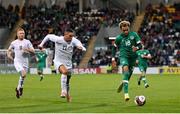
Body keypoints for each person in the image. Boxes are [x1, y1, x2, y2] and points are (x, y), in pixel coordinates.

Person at [38, 29, 86, 102]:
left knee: (67, 81)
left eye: (72, 36)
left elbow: (80, 44)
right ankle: (63, 91)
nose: (71, 37)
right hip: (58, 61)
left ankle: (67, 95)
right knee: (65, 72)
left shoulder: (73, 40)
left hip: (68, 63)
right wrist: (41, 44)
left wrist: (81, 48)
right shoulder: (58, 39)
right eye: (70, 36)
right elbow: (48, 36)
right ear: (65, 35)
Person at [112, 20, 143, 101]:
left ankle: (123, 82)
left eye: (127, 30)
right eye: (124, 30)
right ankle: (126, 94)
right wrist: (113, 59)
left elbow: (140, 45)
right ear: (121, 29)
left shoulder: (134, 35)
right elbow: (114, 48)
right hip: (124, 56)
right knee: (126, 70)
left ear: (128, 28)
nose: (125, 31)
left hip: (133, 57)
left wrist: (137, 48)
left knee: (128, 76)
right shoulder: (119, 38)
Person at [7, 27, 35, 99]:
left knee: (23, 76)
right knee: (23, 74)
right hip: (17, 61)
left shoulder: (27, 42)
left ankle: (19, 88)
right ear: (17, 34)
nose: (22, 34)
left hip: (25, 62)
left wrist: (27, 49)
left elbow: (33, 51)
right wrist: (9, 55)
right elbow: (9, 50)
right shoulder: (14, 42)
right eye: (20, 33)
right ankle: (19, 88)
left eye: (23, 33)